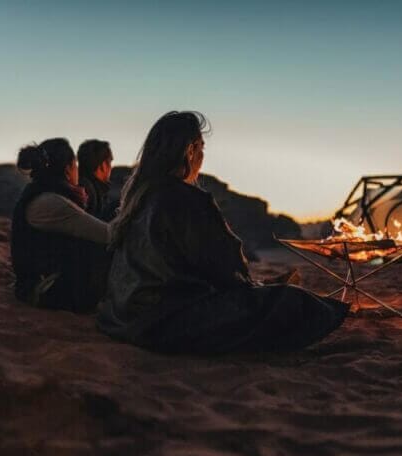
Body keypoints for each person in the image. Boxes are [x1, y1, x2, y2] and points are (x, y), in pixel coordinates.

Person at [96, 111, 348, 354]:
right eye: (201, 148)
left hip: (125, 316)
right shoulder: (187, 199)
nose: (202, 156)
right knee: (292, 301)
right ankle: (339, 311)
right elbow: (225, 267)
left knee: (271, 294)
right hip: (166, 322)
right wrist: (253, 287)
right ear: (190, 150)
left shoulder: (138, 198)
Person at [11, 138, 110, 312]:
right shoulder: (52, 203)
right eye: (76, 165)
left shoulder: (45, 194)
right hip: (46, 290)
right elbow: (107, 234)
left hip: (44, 284)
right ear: (68, 168)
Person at [77, 139, 117, 221]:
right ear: (103, 165)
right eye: (110, 162)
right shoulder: (87, 190)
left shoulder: (82, 185)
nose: (110, 168)